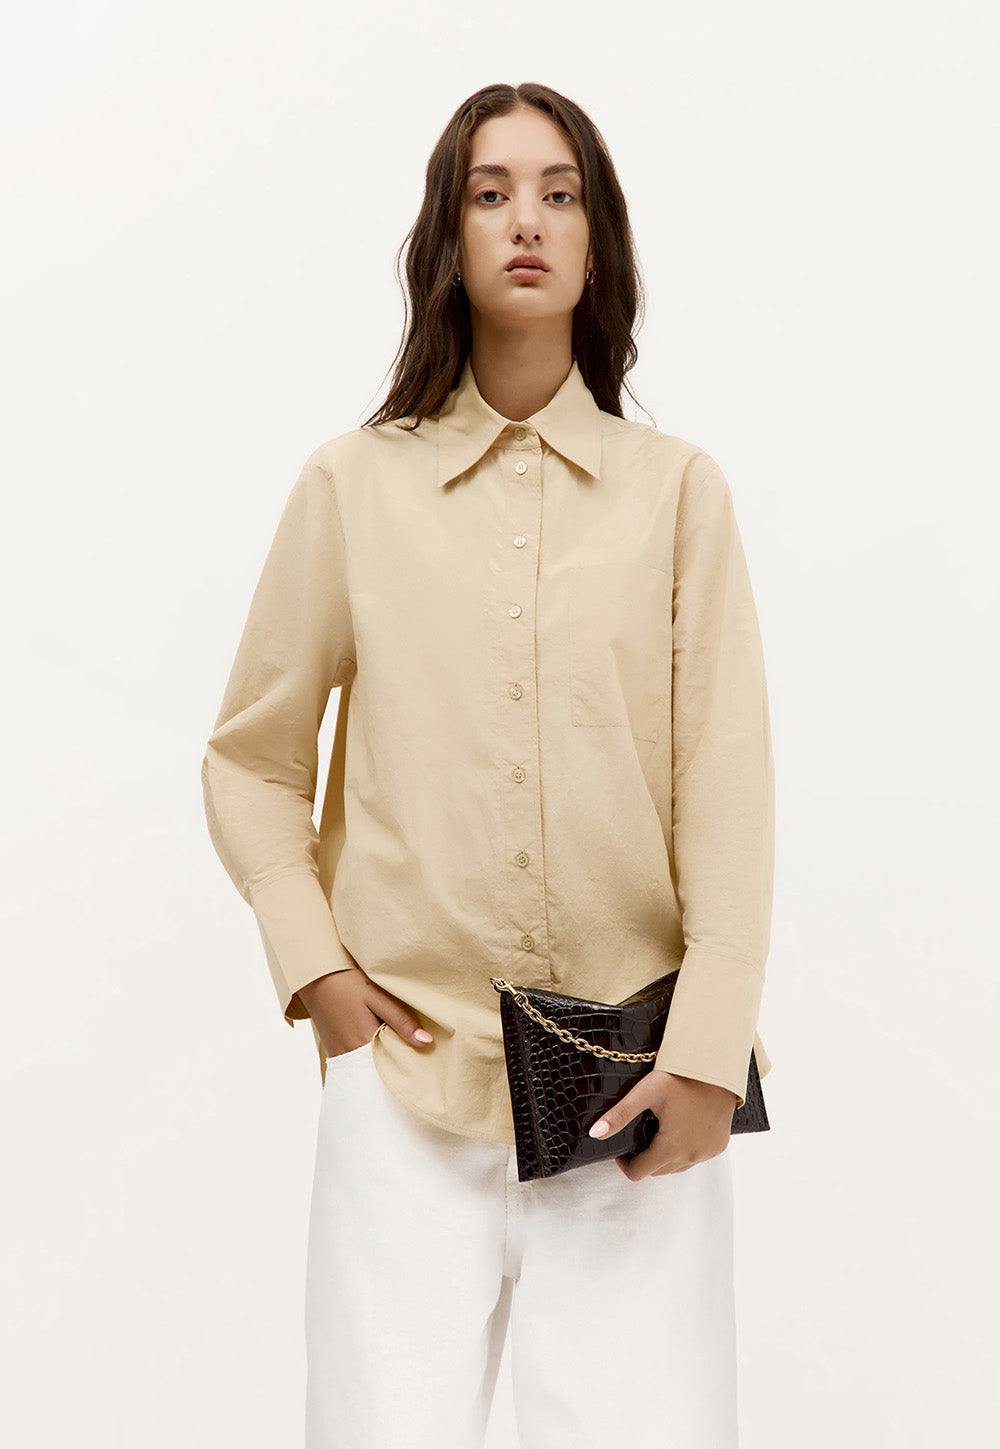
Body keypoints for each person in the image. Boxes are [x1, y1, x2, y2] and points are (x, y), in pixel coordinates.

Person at [201, 81, 775, 1449]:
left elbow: (729, 793)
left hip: (631, 1091)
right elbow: (252, 758)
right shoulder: (352, 486)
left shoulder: (678, 494)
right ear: (446, 236)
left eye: (560, 194)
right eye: (492, 191)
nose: (528, 219)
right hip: (407, 1088)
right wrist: (319, 975)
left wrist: (708, 1051)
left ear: (597, 242)